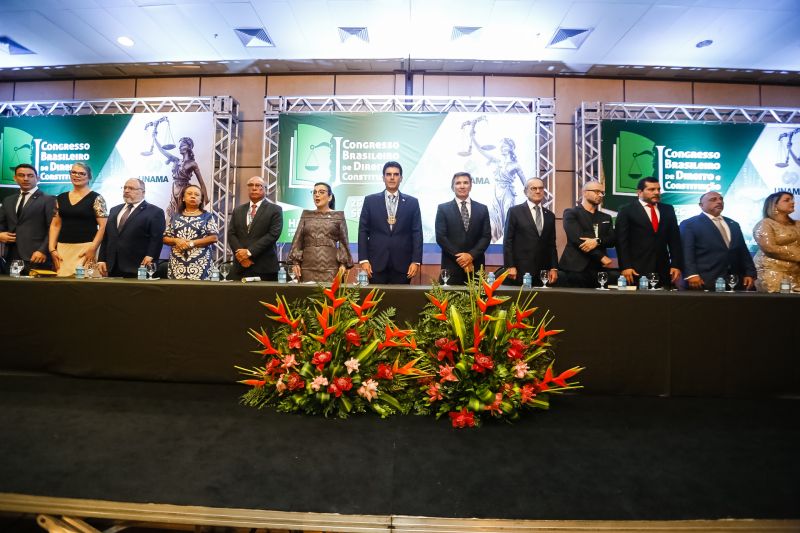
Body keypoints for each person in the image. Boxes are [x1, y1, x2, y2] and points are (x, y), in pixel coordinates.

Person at [358, 161, 422, 284]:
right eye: (388, 174)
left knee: (400, 302)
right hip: (375, 264)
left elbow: (417, 233)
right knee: (376, 302)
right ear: (383, 178)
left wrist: (416, 261)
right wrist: (364, 259)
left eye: (396, 174)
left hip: (403, 265)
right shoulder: (370, 200)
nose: (392, 177)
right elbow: (363, 231)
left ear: (401, 178)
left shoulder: (412, 202)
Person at [680, 191, 756, 291]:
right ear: (701, 205)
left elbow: (743, 251)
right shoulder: (690, 224)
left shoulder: (733, 224)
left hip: (735, 281)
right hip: (705, 280)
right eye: (713, 200)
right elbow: (686, 252)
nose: (719, 202)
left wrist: (749, 273)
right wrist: (691, 274)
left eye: (721, 199)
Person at [616, 177, 683, 288]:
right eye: (651, 189)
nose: (656, 192)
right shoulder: (626, 210)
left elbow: (674, 240)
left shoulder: (668, 209)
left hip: (664, 269)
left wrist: (676, 264)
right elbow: (621, 241)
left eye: (658, 189)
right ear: (639, 192)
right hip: (636, 269)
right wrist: (625, 266)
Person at [97, 178, 166, 278]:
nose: (126, 191)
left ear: (142, 192)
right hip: (112, 266)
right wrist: (101, 259)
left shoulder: (155, 212)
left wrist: (151, 255)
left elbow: (156, 238)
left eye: (131, 188)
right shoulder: (114, 210)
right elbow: (107, 236)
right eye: (125, 188)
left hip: (138, 266)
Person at [48, 162, 108, 277]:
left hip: (87, 248)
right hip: (63, 249)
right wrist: (52, 248)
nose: (77, 175)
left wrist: (93, 248)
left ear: (89, 177)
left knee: (86, 287)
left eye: (82, 173)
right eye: (74, 172)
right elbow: (55, 225)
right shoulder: (61, 197)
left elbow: (103, 226)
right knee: (63, 287)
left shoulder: (97, 198)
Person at [288, 182, 353, 282]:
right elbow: (298, 240)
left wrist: (343, 264)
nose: (317, 195)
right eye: (314, 192)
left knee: (329, 297)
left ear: (330, 197)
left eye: (321, 192)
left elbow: (344, 243)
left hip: (331, 269)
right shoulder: (306, 215)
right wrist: (295, 263)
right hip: (307, 267)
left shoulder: (338, 216)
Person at [434, 171, 491, 285]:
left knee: (476, 302)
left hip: (475, 266)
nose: (462, 186)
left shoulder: (482, 209)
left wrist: (470, 256)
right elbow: (441, 237)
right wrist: (462, 259)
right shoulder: (443, 209)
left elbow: (486, 236)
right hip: (451, 266)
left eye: (466, 183)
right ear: (452, 187)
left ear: (471, 186)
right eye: (458, 183)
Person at [558, 180, 617, 288]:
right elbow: (578, 239)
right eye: (596, 191)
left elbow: (612, 239)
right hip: (575, 268)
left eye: (602, 192)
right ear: (584, 192)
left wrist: (597, 241)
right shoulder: (571, 213)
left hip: (599, 270)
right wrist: (601, 256)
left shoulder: (606, 217)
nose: (600, 195)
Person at [0, 164, 56, 275]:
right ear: (15, 178)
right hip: (11, 257)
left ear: (37, 178)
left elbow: (53, 228)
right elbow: (1, 223)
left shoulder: (48, 199)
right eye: (21, 175)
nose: (26, 178)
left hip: (37, 257)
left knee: (37, 291)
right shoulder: (8, 200)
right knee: (11, 291)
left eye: (30, 175)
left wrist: (43, 250)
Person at [503, 177, 558, 286]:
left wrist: (554, 268)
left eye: (541, 188)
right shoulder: (515, 211)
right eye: (534, 188)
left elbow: (551, 244)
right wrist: (510, 266)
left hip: (543, 273)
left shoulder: (550, 215)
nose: (538, 191)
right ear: (525, 191)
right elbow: (507, 241)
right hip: (520, 271)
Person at [227, 176, 283, 281]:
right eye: (250, 185)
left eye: (258, 185)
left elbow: (273, 235)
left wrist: (248, 252)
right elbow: (231, 234)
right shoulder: (238, 210)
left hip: (265, 267)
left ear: (265, 189)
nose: (254, 188)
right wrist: (241, 256)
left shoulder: (275, 210)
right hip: (241, 266)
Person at [163, 184, 218, 280]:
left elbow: (214, 238)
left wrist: (192, 243)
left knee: (199, 293)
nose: (193, 196)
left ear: (201, 200)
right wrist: (176, 240)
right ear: (183, 198)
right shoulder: (175, 216)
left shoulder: (207, 216)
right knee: (176, 292)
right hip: (177, 263)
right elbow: (165, 238)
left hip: (200, 263)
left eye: (197, 195)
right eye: (189, 194)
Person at [752, 191, 800, 293]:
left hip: (797, 274)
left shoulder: (797, 224)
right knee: (777, 305)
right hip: (772, 273)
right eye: (787, 200)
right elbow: (770, 248)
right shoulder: (765, 224)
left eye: (792, 200)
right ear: (774, 205)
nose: (792, 202)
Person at [154, 134, 209, 220]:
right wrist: (154, 138)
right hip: (174, 192)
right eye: (179, 146)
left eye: (182, 145)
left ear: (189, 147)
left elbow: (201, 183)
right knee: (170, 217)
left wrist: (206, 201)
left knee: (182, 217)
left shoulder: (192, 164)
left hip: (184, 192)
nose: (179, 147)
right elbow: (161, 150)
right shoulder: (176, 160)